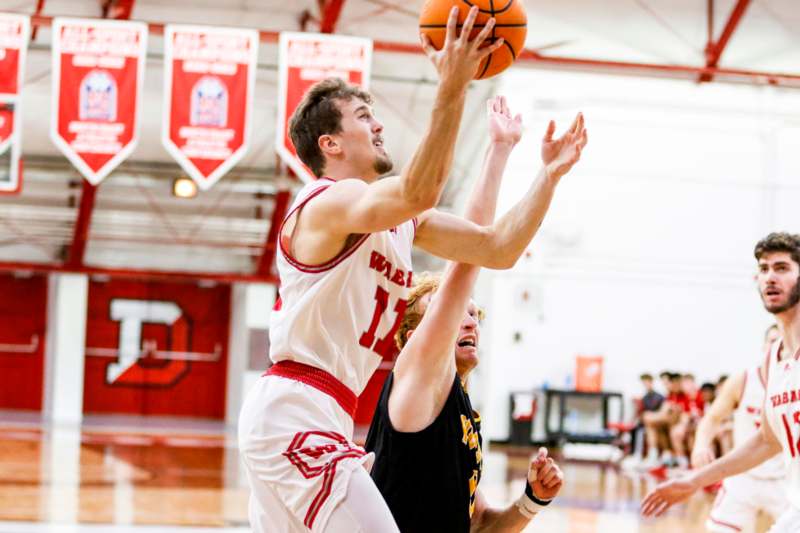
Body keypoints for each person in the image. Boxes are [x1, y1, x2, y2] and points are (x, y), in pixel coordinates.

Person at [238, 7, 588, 532]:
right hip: (292, 410)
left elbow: (496, 249)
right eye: (361, 116)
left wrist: (548, 177)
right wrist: (453, 84)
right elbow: (418, 190)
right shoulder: (326, 202)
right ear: (329, 144)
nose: (378, 123)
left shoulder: (403, 220)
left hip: (325, 414)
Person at [366, 95, 578, 532]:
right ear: (409, 338)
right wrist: (502, 154)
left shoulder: (458, 409)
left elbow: (480, 524)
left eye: (476, 314)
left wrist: (532, 501)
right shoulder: (416, 381)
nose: (469, 320)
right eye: (450, 312)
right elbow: (467, 260)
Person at [642, 232, 800, 533]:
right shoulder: (771, 360)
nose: (769, 277)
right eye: (763, 269)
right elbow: (767, 440)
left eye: (781, 268)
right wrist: (694, 479)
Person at [690, 325, 788, 532]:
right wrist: (701, 444)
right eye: (772, 340)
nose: (778, 346)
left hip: (786, 479)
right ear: (764, 346)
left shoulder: (793, 383)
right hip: (743, 474)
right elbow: (712, 418)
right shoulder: (743, 381)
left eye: (783, 340)